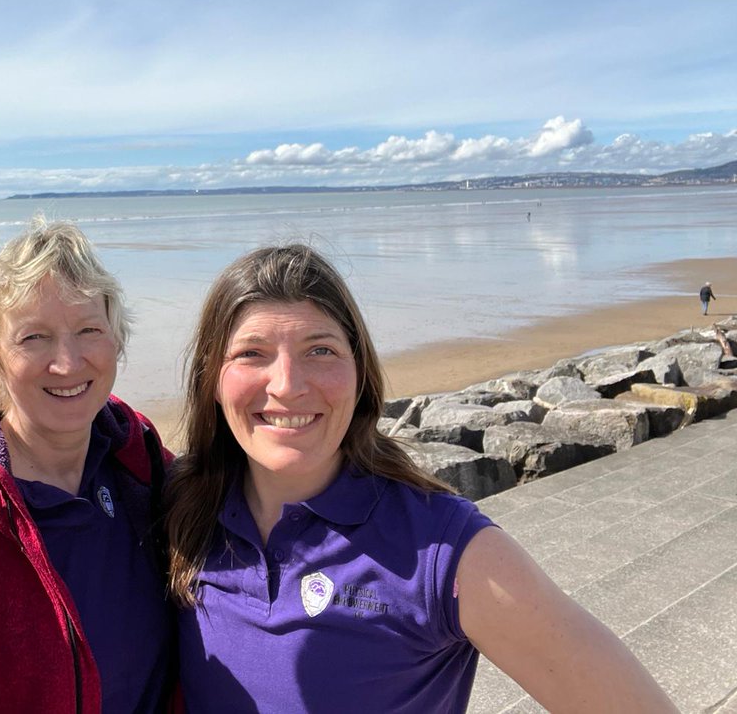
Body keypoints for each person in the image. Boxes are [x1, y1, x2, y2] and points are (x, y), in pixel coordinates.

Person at [167, 245, 676, 713]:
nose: (287, 385)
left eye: (319, 350)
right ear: (211, 378)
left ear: (361, 372)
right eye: (251, 353)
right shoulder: (181, 509)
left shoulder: (441, 551)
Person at [0, 219, 173, 714]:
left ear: (117, 339)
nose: (67, 363)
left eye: (89, 330)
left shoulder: (141, 462)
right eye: (34, 338)